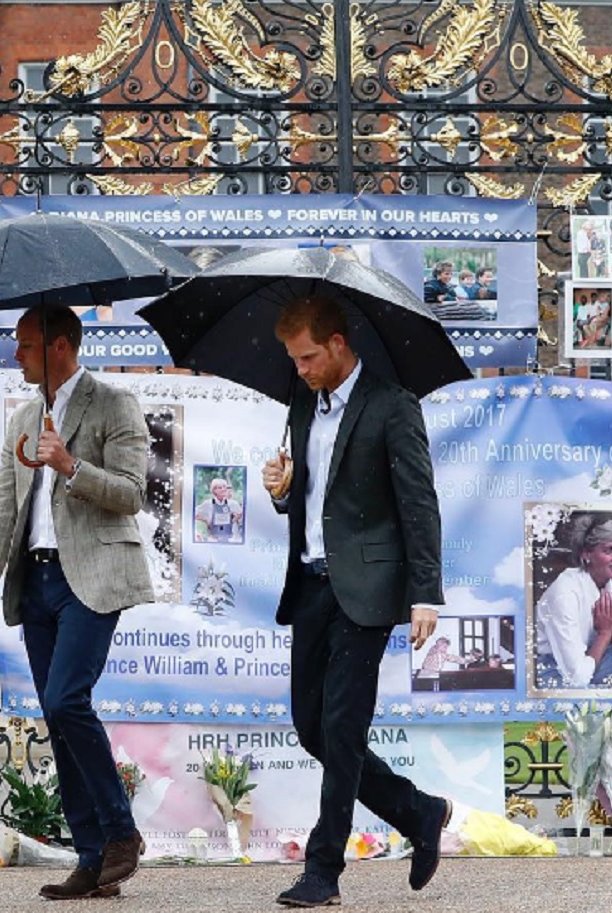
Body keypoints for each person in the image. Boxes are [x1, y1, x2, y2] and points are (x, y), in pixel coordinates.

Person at [260, 296, 449, 908]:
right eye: (293, 359)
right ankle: (419, 811)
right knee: (310, 726)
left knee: (342, 728)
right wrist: (283, 493)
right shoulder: (301, 406)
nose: (301, 369)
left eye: (308, 357)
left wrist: (425, 595)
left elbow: (419, 505)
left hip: (365, 594)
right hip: (311, 585)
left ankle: (323, 871)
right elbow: (310, 500)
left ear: (339, 344)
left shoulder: (392, 406)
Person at [0, 304, 152, 901]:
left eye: (26, 344)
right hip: (36, 581)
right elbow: (0, 506)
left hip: (90, 577)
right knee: (56, 714)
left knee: (69, 698)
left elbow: (131, 494)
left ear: (61, 346)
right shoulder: (22, 413)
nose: (16, 354)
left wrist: (70, 465)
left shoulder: (113, 404)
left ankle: (121, 833)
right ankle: (94, 859)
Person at [534, 513, 612, 689]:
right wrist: (605, 633)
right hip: (553, 669)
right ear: (586, 553)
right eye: (609, 550)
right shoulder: (565, 593)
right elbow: (577, 679)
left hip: (590, 658)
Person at [194, 477, 244, 543]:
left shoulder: (232, 503)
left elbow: (241, 513)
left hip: (231, 539)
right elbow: (193, 513)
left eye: (224, 487)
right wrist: (206, 521)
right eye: (220, 488)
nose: (223, 489)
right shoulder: (208, 503)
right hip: (214, 540)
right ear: (214, 490)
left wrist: (233, 520)